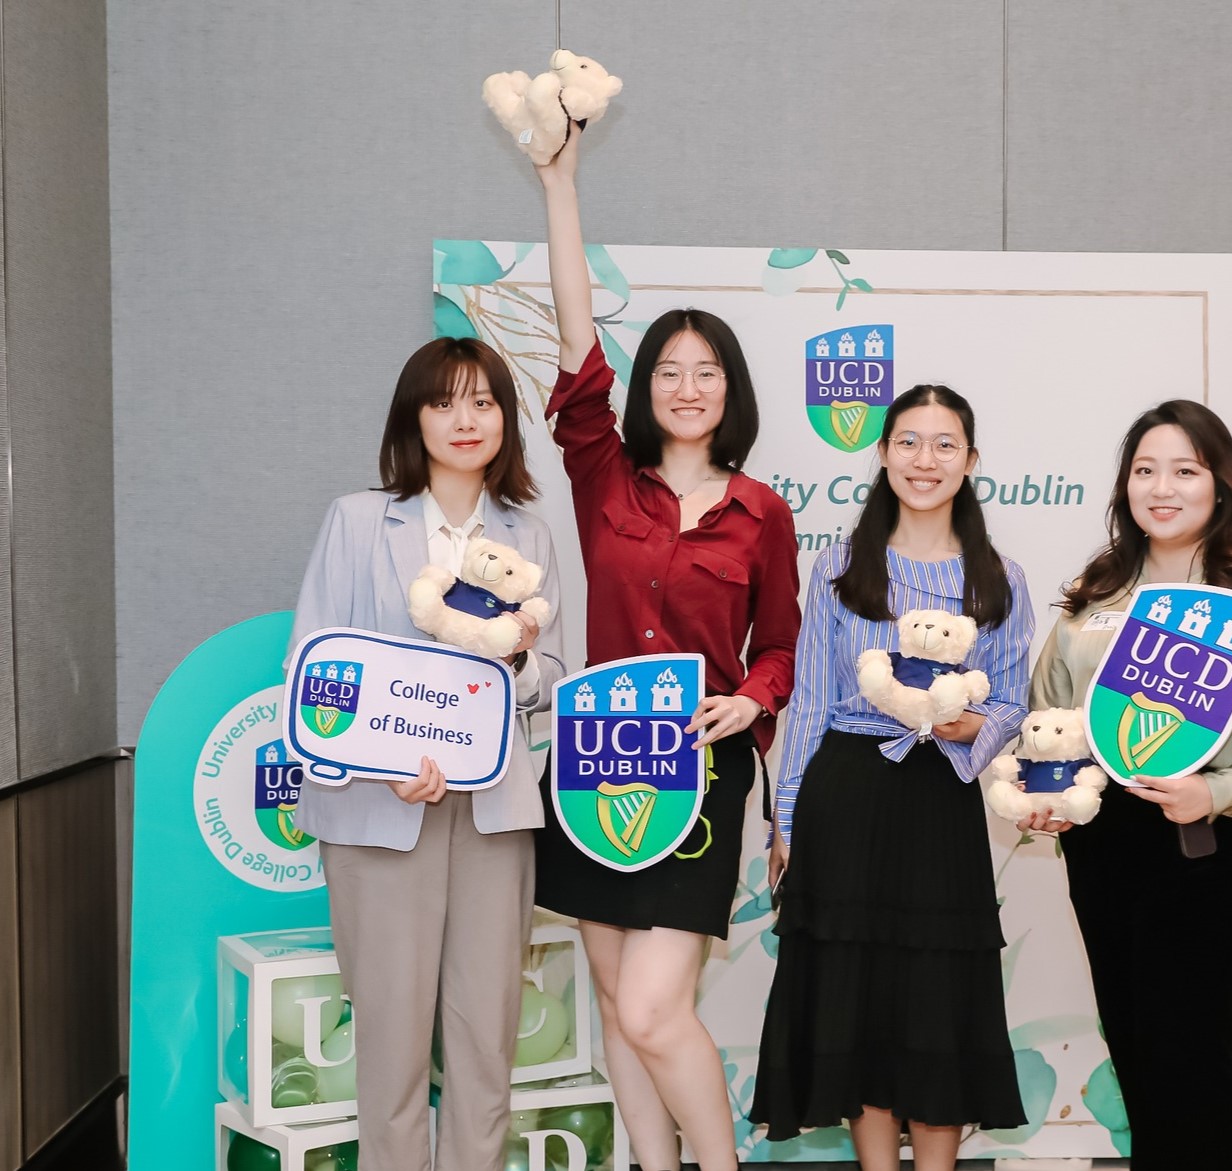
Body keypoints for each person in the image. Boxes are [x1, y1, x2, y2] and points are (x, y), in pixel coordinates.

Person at [530, 126, 801, 1171]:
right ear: (647, 389)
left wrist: (752, 699)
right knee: (610, 994)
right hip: (593, 759)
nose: (687, 388)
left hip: (700, 766)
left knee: (653, 1005)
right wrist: (560, 186)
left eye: (707, 373)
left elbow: (777, 644)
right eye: (670, 372)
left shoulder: (759, 510)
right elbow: (572, 347)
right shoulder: (603, 474)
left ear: (730, 390)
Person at [1029, 400, 1232, 1171]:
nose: (1160, 486)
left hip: (1211, 840)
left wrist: (1220, 788)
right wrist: (1048, 789)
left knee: (1188, 1048)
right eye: (1143, 469)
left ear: (1219, 485)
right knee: (1134, 1043)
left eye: (1183, 469)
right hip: (1104, 845)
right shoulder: (1094, 592)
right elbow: (1050, 712)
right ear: (1123, 486)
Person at [289, 336, 565, 1171]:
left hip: (492, 812)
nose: (464, 419)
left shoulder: (532, 531)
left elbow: (558, 671)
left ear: (505, 420)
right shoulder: (358, 519)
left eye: (482, 401)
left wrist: (512, 662)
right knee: (392, 1047)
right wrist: (383, 761)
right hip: (380, 812)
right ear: (415, 416)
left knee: (486, 1047)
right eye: (443, 401)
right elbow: (317, 673)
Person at [751, 384, 1033, 1171]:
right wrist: (788, 817)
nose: (925, 460)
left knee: (937, 1001)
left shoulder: (998, 581)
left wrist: (962, 722)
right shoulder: (841, 567)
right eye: (908, 441)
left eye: (944, 444)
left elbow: (1011, 703)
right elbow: (809, 697)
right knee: (855, 993)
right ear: (881, 454)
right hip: (847, 790)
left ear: (970, 462)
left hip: (938, 796)